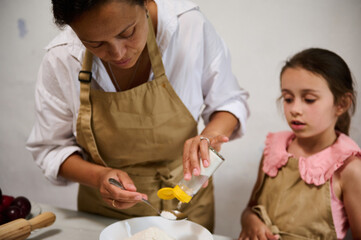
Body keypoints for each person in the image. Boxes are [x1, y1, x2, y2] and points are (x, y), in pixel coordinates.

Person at [26, 0, 249, 232]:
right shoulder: (62, 57)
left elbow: (229, 101)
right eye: (95, 43)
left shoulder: (187, 26)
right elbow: (50, 149)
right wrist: (99, 177)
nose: (118, 53)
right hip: (106, 215)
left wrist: (209, 137)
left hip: (187, 203)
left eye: (127, 33)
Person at [238, 48, 361, 239]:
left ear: (342, 104)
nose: (294, 109)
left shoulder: (349, 169)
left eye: (309, 99)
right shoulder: (274, 151)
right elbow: (250, 208)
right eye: (288, 98)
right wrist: (250, 221)